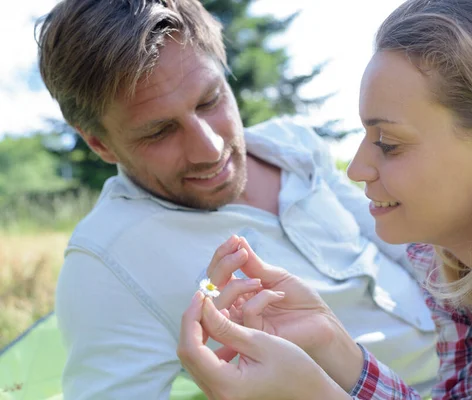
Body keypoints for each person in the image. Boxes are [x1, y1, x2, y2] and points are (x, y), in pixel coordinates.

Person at [177, 0, 472, 399]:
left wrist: (314, 393)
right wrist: (330, 341)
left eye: (389, 143)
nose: (356, 169)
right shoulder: (452, 263)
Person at [35, 0, 438, 398]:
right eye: (159, 132)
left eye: (210, 101)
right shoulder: (106, 263)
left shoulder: (294, 145)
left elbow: (411, 249)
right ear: (100, 143)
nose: (210, 149)